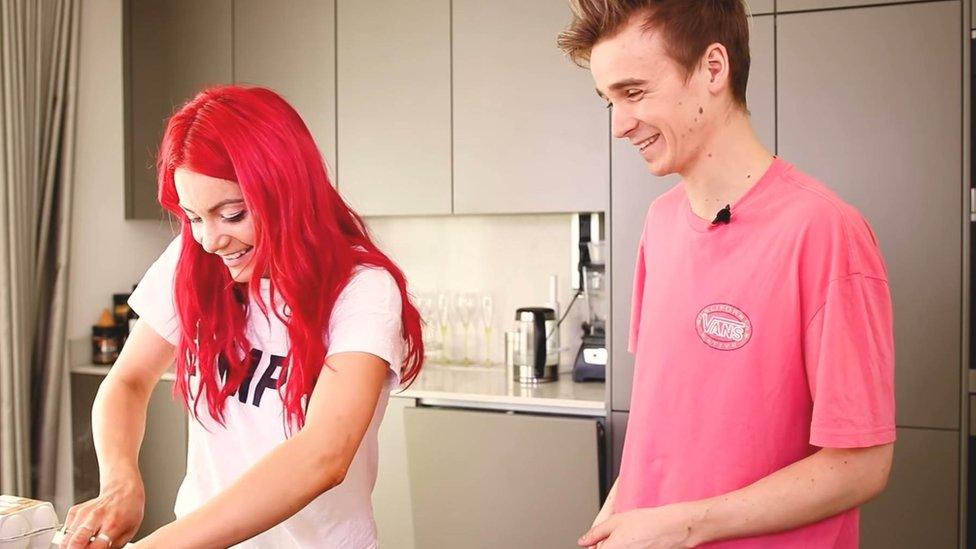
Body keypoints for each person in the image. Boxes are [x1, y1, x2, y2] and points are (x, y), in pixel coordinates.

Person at [558, 1, 895, 547]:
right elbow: (657, 425)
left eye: (634, 92)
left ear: (714, 68)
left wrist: (682, 527)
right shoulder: (659, 223)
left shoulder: (826, 232)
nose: (618, 125)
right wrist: (608, 522)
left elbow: (861, 463)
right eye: (608, 100)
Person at [62, 85, 424, 548]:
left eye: (231, 214)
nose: (211, 239)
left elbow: (324, 454)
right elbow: (129, 381)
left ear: (287, 192)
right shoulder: (192, 260)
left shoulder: (362, 289)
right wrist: (120, 482)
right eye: (193, 217)